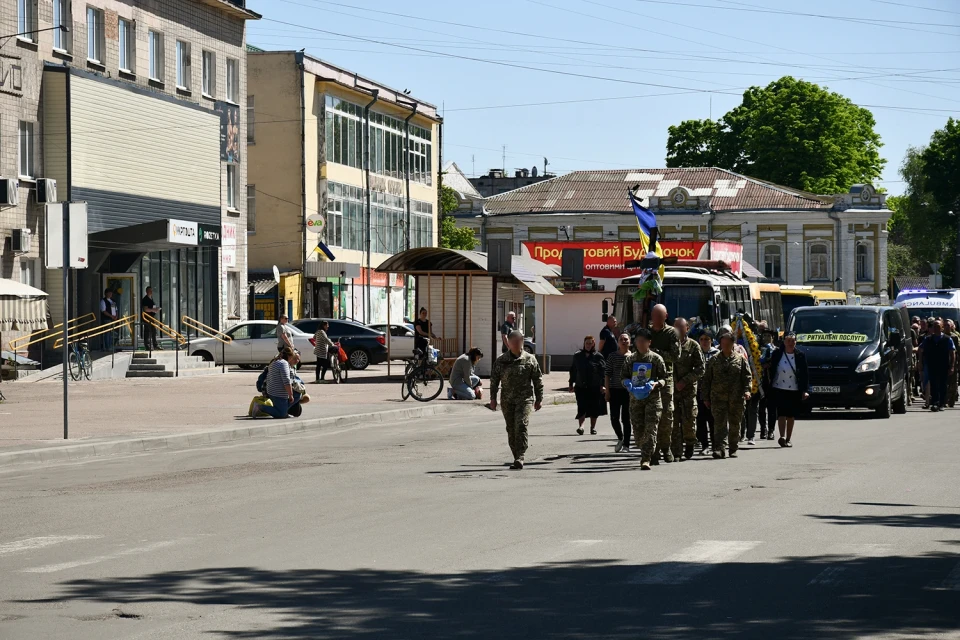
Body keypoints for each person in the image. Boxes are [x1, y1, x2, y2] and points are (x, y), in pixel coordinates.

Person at [490, 330, 544, 470]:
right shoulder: (501, 360)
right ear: (508, 342)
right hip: (507, 400)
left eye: (517, 341)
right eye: (511, 341)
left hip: (524, 399)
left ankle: (520, 456)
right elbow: (494, 381)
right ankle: (516, 456)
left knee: (521, 425)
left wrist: (539, 398)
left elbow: (538, 380)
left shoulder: (530, 359)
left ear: (521, 342)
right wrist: (493, 399)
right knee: (511, 429)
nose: (514, 344)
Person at [620, 328, 666, 471]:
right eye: (638, 341)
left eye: (643, 341)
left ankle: (645, 459)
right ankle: (648, 450)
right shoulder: (630, 359)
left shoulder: (656, 359)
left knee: (651, 428)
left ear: (649, 342)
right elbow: (623, 377)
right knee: (639, 431)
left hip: (652, 399)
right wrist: (627, 383)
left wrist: (656, 384)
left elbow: (665, 378)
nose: (640, 344)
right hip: (635, 400)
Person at [702, 331, 752, 459]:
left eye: (727, 343)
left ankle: (733, 448)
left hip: (736, 398)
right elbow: (707, 379)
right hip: (718, 398)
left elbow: (747, 377)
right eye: (722, 343)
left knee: (735, 424)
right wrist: (706, 397)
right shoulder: (714, 360)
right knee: (719, 424)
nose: (725, 346)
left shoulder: (740, 359)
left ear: (733, 344)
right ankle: (720, 449)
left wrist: (747, 390)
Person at [765, 331, 809, 448]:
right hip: (778, 387)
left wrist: (805, 390)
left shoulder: (800, 355)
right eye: (788, 340)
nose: (790, 343)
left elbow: (804, 374)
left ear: (795, 342)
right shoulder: (777, 354)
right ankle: (782, 437)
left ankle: (788, 438)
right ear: (784, 342)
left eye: (792, 341)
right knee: (781, 413)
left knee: (791, 415)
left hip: (794, 388)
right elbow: (770, 367)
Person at [649, 304, 680, 463]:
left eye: (660, 317)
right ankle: (652, 451)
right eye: (654, 316)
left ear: (665, 316)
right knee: (651, 416)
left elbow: (675, 356)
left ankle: (666, 447)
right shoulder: (646, 332)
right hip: (648, 378)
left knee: (667, 415)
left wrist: (656, 353)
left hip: (665, 378)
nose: (656, 319)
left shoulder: (671, 333)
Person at [672, 317, 705, 461]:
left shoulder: (693, 346)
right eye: (676, 327)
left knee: (689, 421)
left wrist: (684, 381)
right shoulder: (669, 345)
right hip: (672, 391)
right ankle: (676, 452)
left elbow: (700, 368)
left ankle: (690, 444)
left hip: (688, 391)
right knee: (674, 422)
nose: (678, 330)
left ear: (687, 328)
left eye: (681, 327)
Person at [569, 336, 607, 435]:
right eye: (587, 343)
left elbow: (603, 372)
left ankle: (592, 427)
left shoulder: (598, 356)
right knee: (581, 406)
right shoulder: (578, 355)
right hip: (580, 386)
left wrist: (603, 385)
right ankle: (581, 427)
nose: (588, 345)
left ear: (593, 344)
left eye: (590, 343)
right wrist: (571, 383)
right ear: (584, 344)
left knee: (594, 407)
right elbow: (573, 370)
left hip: (594, 386)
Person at [254, 347, 303, 419]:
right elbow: (286, 381)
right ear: (289, 356)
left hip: (272, 390)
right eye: (292, 358)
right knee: (281, 415)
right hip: (277, 392)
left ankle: (283, 410)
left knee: (298, 394)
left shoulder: (275, 361)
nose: (292, 360)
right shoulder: (284, 364)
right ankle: (260, 407)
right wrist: (290, 395)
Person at [605, 332, 633, 453]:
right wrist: (607, 391)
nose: (624, 341)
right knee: (614, 418)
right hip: (615, 390)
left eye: (626, 339)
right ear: (618, 342)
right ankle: (620, 437)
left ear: (630, 342)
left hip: (628, 392)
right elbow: (607, 374)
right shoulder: (612, 356)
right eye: (621, 339)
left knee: (626, 419)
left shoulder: (634, 357)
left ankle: (626, 444)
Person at [919, 319, 955, 412]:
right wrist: (920, 363)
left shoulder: (947, 339)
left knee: (942, 385)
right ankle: (935, 403)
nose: (936, 328)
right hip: (932, 365)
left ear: (942, 328)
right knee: (933, 385)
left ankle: (942, 403)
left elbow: (952, 353)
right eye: (934, 326)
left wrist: (952, 366)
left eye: (938, 326)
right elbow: (921, 350)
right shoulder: (928, 339)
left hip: (943, 365)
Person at [696, 332, 719, 454]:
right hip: (698, 391)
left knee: (713, 419)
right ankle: (705, 445)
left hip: (713, 392)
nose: (704, 341)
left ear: (711, 340)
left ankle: (716, 445)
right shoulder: (696, 353)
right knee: (700, 420)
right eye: (702, 339)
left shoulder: (717, 354)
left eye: (707, 339)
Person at [758, 330, 778, 440]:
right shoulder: (757, 350)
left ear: (772, 338)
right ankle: (763, 429)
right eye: (764, 335)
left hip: (772, 382)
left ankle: (771, 430)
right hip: (761, 382)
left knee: (772, 408)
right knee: (761, 407)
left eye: (768, 336)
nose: (766, 337)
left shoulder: (776, 350)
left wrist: (769, 364)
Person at [945, 320, 960, 408]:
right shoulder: (941, 336)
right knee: (945, 382)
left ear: (951, 327)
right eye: (945, 325)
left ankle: (952, 399)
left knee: (953, 382)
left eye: (948, 326)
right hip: (944, 362)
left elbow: (957, 350)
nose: (947, 327)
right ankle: (945, 399)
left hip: (953, 361)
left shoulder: (954, 337)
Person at [141, 287, 161, 351]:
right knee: (147, 332)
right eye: (150, 291)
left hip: (152, 317)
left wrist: (156, 309)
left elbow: (152, 307)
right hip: (147, 317)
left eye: (152, 291)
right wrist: (153, 309)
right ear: (147, 291)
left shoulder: (151, 298)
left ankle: (155, 345)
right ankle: (147, 346)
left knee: (153, 331)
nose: (151, 292)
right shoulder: (145, 299)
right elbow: (145, 309)